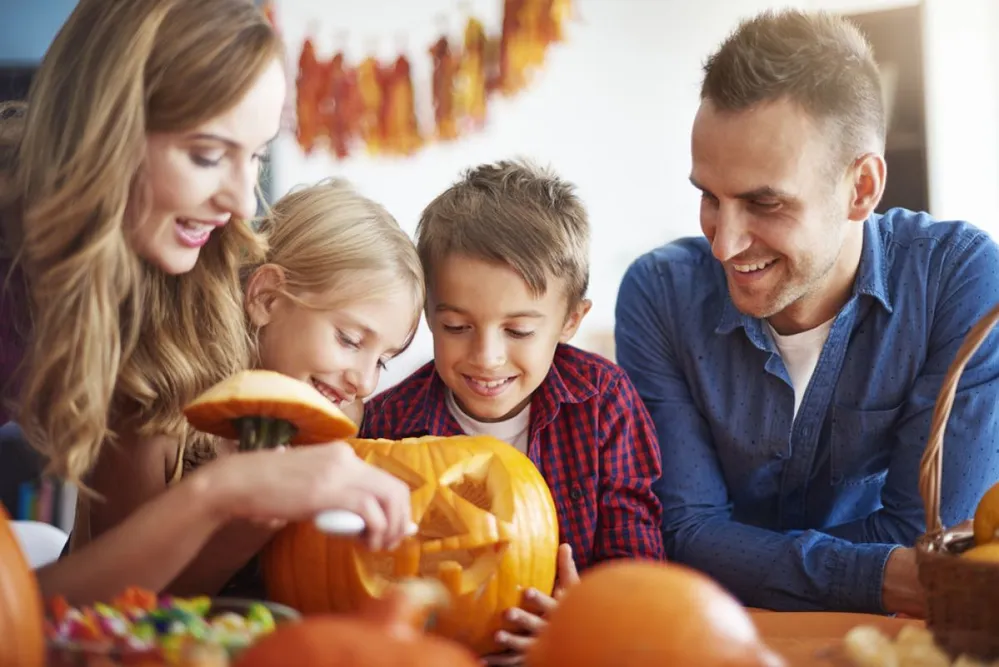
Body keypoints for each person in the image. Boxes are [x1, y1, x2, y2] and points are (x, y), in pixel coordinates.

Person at [0, 0, 410, 605]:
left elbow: (105, 611)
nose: (245, 205)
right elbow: (26, 623)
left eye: (258, 157)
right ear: (105, 128)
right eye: (208, 155)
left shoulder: (162, 282)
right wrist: (219, 495)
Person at [615, 8, 999, 617]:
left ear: (862, 188)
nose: (724, 244)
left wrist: (745, 556)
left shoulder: (957, 276)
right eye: (709, 198)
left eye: (764, 203)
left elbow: (938, 552)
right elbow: (683, 535)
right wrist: (876, 575)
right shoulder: (659, 293)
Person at [361, 159, 664, 664]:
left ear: (570, 320)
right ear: (427, 315)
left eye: (518, 331)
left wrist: (589, 614)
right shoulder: (386, 429)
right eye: (457, 326)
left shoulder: (603, 403)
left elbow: (636, 555)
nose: (486, 356)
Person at [74, 178, 425, 598]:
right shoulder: (158, 406)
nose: (364, 382)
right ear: (268, 298)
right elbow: (125, 603)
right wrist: (249, 525)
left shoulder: (335, 425)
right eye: (349, 340)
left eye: (383, 360)